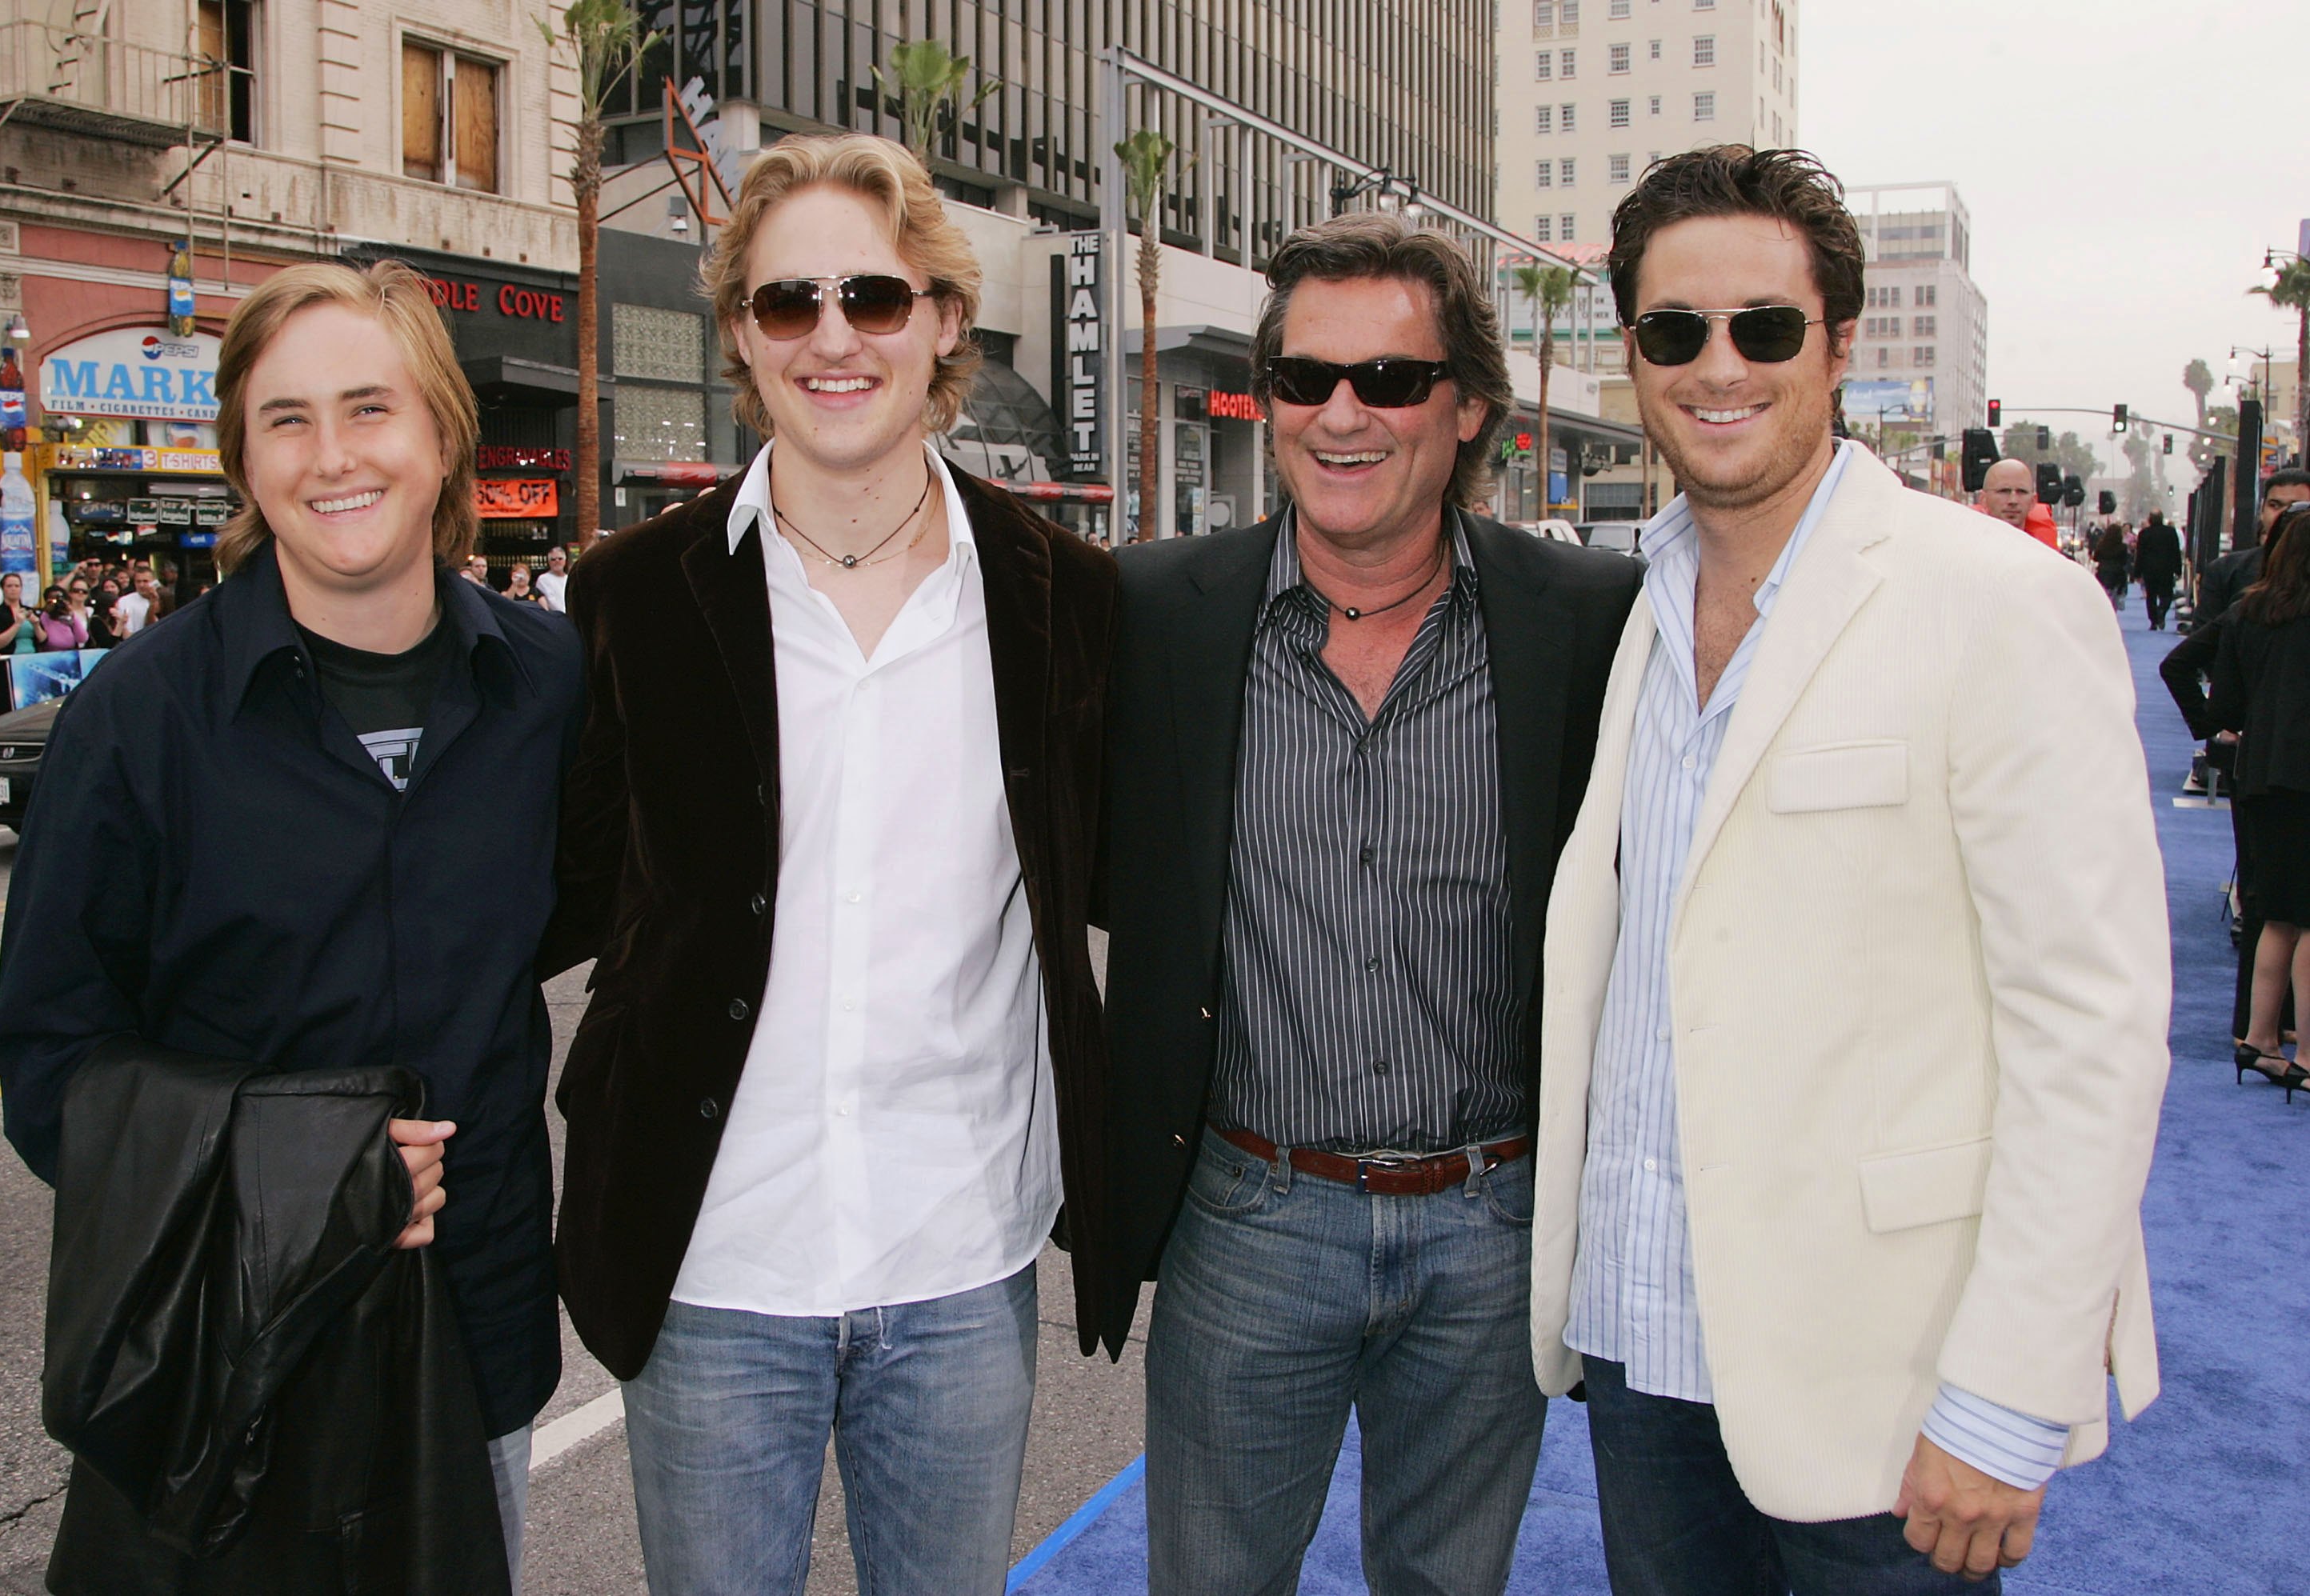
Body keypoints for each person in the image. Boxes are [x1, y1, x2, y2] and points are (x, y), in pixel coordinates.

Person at [1530, 146, 2168, 1594]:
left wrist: (2007, 1399)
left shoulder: (1998, 604)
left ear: (1838, 343)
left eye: (1763, 328)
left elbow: (2092, 1028)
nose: (1717, 368)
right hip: (1644, 1352)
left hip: (1883, 1385)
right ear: (1630, 347)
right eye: (1673, 331)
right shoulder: (1640, 602)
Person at [539, 134, 1117, 1596]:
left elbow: (1128, 882)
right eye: (789, 302)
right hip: (714, 1266)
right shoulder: (633, 598)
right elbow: (545, 895)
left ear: (941, 322)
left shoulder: (1064, 600)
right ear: (741, 332)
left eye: (872, 293)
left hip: (961, 1260)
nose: (834, 336)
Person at [0, 258, 583, 1590]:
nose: (332, 457)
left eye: (369, 408)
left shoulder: (550, 683)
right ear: (242, 460)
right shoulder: (140, 719)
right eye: (286, 419)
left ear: (441, 435)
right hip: (227, 1359)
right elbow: (47, 1068)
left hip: (476, 1343)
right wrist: (303, 1168)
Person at [1092, 213, 1639, 1594]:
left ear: (1466, 411)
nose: (1342, 415)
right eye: (1304, 378)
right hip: (1251, 1214)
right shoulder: (1150, 611)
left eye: (1390, 382)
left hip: (1495, 1224)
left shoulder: (1589, 622)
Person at [2212, 502, 2310, 1096]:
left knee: (2274, 915)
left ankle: (2259, 1037)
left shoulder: (2246, 610)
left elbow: (2223, 707)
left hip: (2261, 778)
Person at [2196, 470, 2310, 623]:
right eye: (2274, 505)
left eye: (2296, 508)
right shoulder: (2226, 572)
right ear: (2262, 512)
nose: (2283, 515)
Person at [2135, 510, 2184, 630]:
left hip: (2149, 569)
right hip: (2166, 569)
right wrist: (2178, 570)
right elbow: (2176, 552)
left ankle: (2154, 620)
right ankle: (2162, 611)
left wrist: (2137, 572)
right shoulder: (2171, 532)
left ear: (2150, 519)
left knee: (2151, 596)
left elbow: (2140, 554)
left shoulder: (2144, 534)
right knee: (2167, 594)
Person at [0, 572, 40, 655]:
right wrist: (17, 624)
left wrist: (36, 625)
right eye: (9, 586)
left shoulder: (30, 610)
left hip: (32, 657)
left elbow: (43, 639)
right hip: (11, 659)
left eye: (17, 586)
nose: (13, 589)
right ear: (3, 589)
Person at [2090, 519, 2131, 609]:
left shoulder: (2101, 545)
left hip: (2103, 573)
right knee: (2115, 598)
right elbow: (2124, 561)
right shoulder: (2123, 547)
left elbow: (2095, 558)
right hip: (2117, 575)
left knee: (2104, 596)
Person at [112, 566, 158, 638]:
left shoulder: (163, 597)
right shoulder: (125, 601)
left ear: (154, 581)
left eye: (145, 581)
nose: (141, 585)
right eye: (138, 581)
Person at [534, 545, 570, 612]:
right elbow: (551, 601)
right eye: (553, 559)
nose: (557, 561)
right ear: (549, 562)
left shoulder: (568, 578)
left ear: (565, 560)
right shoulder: (543, 579)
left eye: (560, 559)